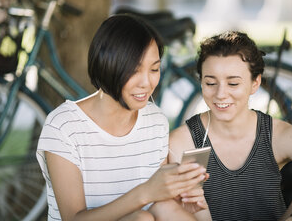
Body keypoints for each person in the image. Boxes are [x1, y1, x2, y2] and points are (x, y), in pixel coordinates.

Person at [36, 14, 211, 221]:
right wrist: (146, 192)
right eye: (135, 70)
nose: (147, 83)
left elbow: (158, 204)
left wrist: (181, 200)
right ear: (107, 65)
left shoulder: (155, 120)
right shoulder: (63, 126)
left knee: (166, 209)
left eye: (154, 69)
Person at [169, 31, 292, 221]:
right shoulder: (182, 141)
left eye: (233, 83)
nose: (220, 94)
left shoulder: (278, 135)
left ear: (255, 83)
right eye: (210, 83)